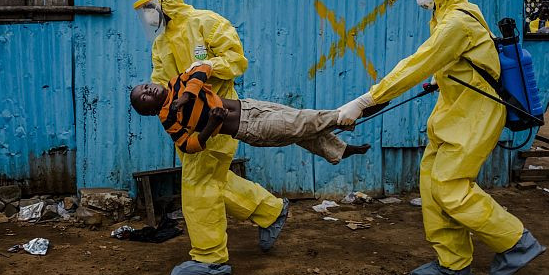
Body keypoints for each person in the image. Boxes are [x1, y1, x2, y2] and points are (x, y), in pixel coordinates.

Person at [337, 0, 546, 275]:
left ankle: (516, 242)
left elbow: (416, 63)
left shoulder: (457, 21)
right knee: (432, 184)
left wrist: (366, 100)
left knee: (451, 186)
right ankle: (454, 263)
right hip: (454, 111)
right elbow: (465, 56)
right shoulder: (447, 15)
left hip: (476, 114)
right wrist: (442, 77)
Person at [133, 0, 287, 275]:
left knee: (198, 185)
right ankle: (271, 211)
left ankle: (210, 258)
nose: (149, 15)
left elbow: (236, 61)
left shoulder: (207, 22)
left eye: (150, 7)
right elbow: (162, 83)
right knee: (214, 181)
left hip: (218, 116)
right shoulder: (161, 43)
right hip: (188, 125)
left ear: (166, 1)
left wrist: (202, 70)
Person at [130, 63, 371, 164]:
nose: (147, 89)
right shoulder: (169, 119)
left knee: (300, 131)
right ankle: (349, 112)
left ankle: (339, 150)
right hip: (249, 128)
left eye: (144, 86)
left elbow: (202, 68)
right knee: (300, 122)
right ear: (150, 110)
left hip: (251, 106)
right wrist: (209, 127)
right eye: (143, 96)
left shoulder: (177, 83)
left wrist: (186, 97)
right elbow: (187, 146)